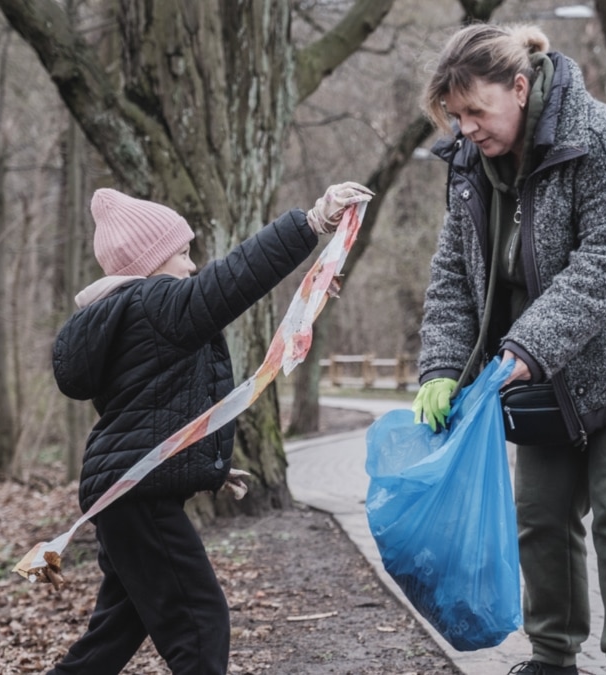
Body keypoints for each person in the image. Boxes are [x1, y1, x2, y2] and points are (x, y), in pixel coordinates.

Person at [411, 23, 606, 675]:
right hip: (551, 366)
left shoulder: (604, 139)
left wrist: (528, 344)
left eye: (476, 111)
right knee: (540, 511)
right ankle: (553, 657)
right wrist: (440, 367)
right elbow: (454, 274)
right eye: (455, 115)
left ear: (519, 88)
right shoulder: (471, 165)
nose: (465, 128)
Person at [47, 182, 371, 675]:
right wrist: (311, 223)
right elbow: (234, 279)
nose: (191, 265)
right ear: (151, 261)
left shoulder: (121, 320)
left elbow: (151, 412)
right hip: (138, 498)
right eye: (182, 253)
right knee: (201, 622)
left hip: (123, 493)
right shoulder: (158, 304)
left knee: (117, 629)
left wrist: (210, 468)